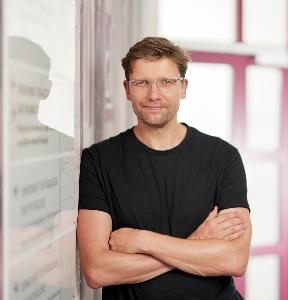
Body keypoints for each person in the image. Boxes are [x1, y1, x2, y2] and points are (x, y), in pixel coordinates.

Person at [77, 37, 251, 300]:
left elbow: (234, 260)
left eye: (167, 82)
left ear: (183, 87)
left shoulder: (223, 157)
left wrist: (141, 241)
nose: (154, 94)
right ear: (127, 89)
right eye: (142, 83)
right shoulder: (99, 160)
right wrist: (196, 242)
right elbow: (97, 270)